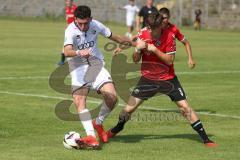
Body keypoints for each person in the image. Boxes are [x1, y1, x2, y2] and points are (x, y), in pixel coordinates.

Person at [105, 12, 217, 147]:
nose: (150, 30)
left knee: (185, 107)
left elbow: (169, 61)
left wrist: (154, 49)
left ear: (160, 26)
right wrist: (137, 51)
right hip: (147, 79)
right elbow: (135, 61)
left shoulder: (169, 36)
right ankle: (118, 128)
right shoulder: (143, 33)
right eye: (149, 27)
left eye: (153, 28)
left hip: (168, 79)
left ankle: (206, 139)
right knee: (128, 110)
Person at [63, 5, 135, 149]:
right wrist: (79, 52)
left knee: (112, 97)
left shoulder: (96, 25)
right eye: (80, 23)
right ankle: (91, 135)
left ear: (90, 19)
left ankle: (98, 122)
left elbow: (115, 37)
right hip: (78, 69)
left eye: (86, 23)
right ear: (75, 19)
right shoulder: (70, 29)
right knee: (79, 100)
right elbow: (67, 51)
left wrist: (134, 43)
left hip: (96, 66)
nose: (83, 27)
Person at [58, 0, 77, 66]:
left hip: (75, 30)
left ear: (72, 2)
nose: (67, 3)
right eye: (66, 1)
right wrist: (67, 25)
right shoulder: (66, 9)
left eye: (69, 1)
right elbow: (68, 18)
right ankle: (62, 61)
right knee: (66, 45)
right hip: (69, 30)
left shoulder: (75, 8)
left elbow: (77, 20)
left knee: (73, 45)